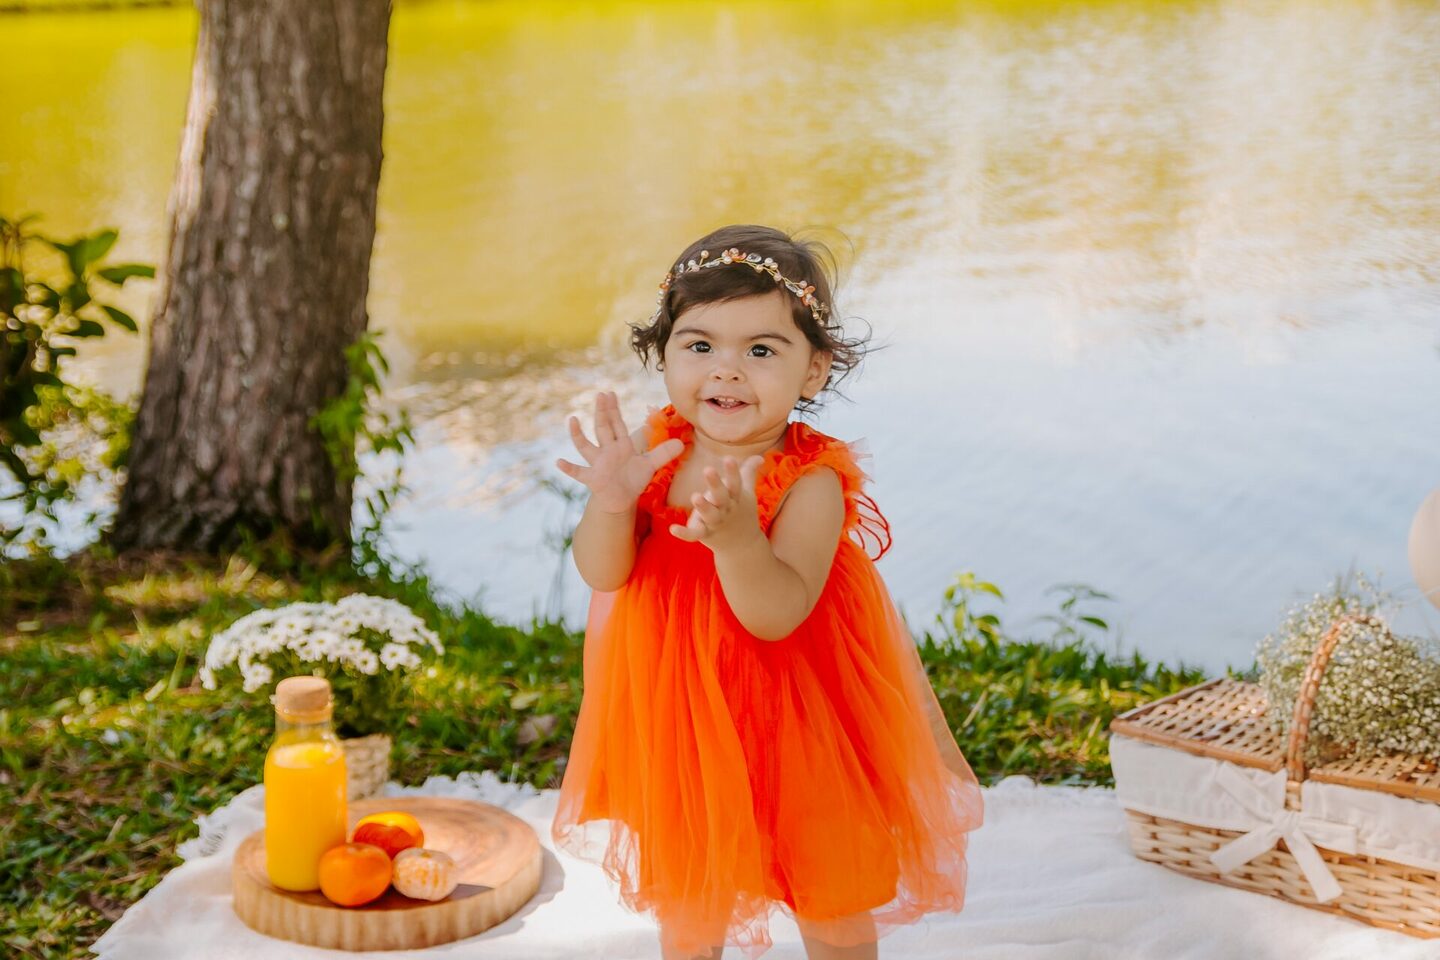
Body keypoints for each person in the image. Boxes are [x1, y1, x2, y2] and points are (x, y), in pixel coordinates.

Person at [550, 224, 984, 960]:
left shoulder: (811, 481)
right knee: (692, 884)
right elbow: (604, 573)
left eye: (760, 350)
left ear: (812, 371)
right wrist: (613, 503)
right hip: (682, 714)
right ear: (663, 355)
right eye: (699, 345)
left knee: (828, 884)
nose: (726, 371)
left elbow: (776, 614)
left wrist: (737, 541)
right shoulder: (655, 452)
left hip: (798, 714)